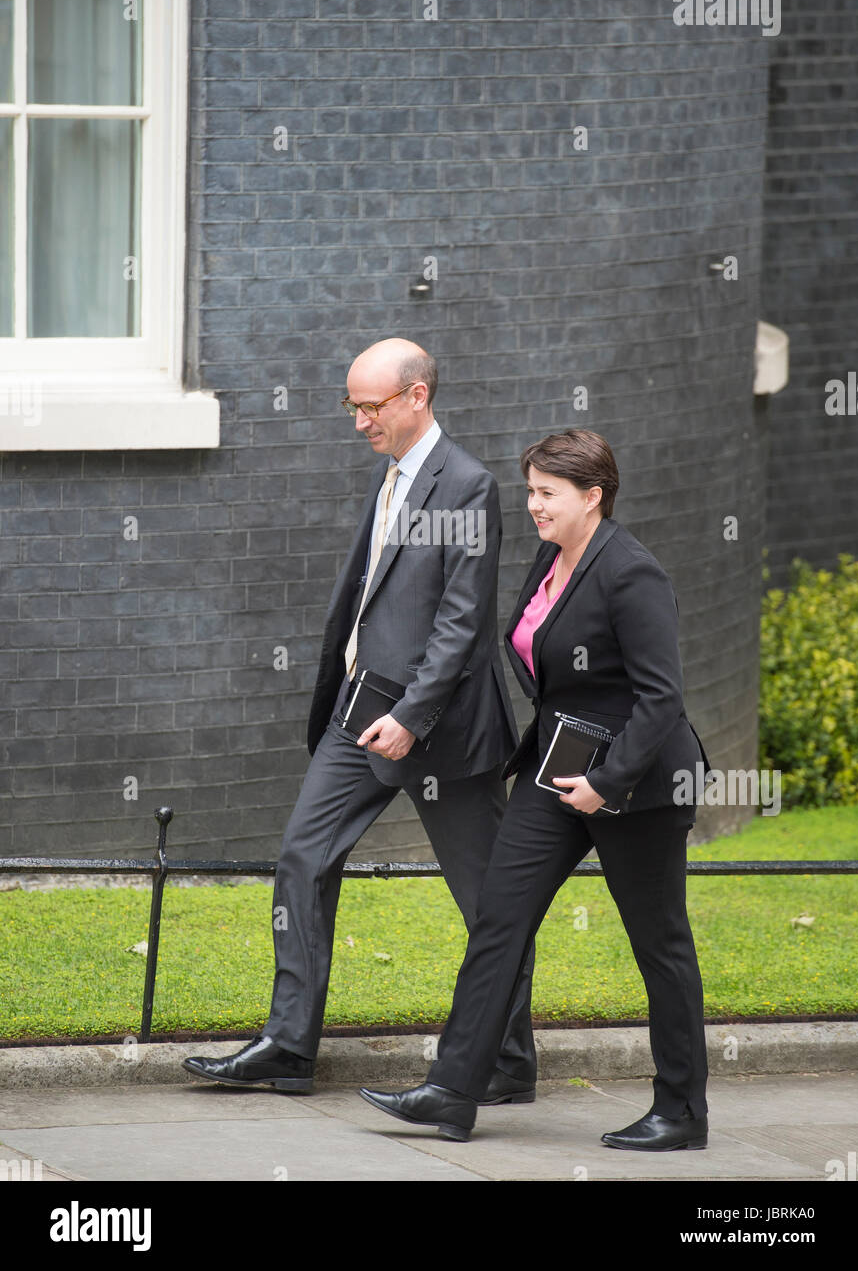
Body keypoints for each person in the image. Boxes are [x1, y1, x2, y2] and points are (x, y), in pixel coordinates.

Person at [183, 338, 537, 1099]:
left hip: (442, 729)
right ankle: (287, 1044)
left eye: (369, 406)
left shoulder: (466, 485)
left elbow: (460, 621)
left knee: (487, 902)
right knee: (302, 859)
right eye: (352, 406)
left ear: (416, 397)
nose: (358, 421)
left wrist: (412, 714)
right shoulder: (389, 479)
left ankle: (506, 1063)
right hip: (359, 709)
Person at [359, 428, 711, 1150]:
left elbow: (660, 698)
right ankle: (452, 1093)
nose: (532, 506)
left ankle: (680, 1112)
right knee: (499, 916)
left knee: (659, 945)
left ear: (593, 496)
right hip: (554, 769)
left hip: (636, 785)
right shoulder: (551, 557)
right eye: (529, 491)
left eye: (546, 494)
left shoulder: (629, 572)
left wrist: (608, 782)